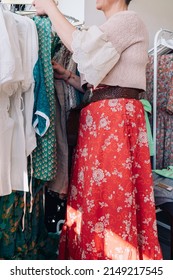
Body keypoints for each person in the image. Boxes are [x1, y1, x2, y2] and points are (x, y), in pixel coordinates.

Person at [33, 0, 163, 260]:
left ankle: (110, 261)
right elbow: (101, 85)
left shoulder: (128, 20)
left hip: (114, 121)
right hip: (101, 119)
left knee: (111, 195)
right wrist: (69, 77)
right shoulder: (111, 27)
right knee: (96, 194)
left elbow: (82, 46)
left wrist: (50, 7)